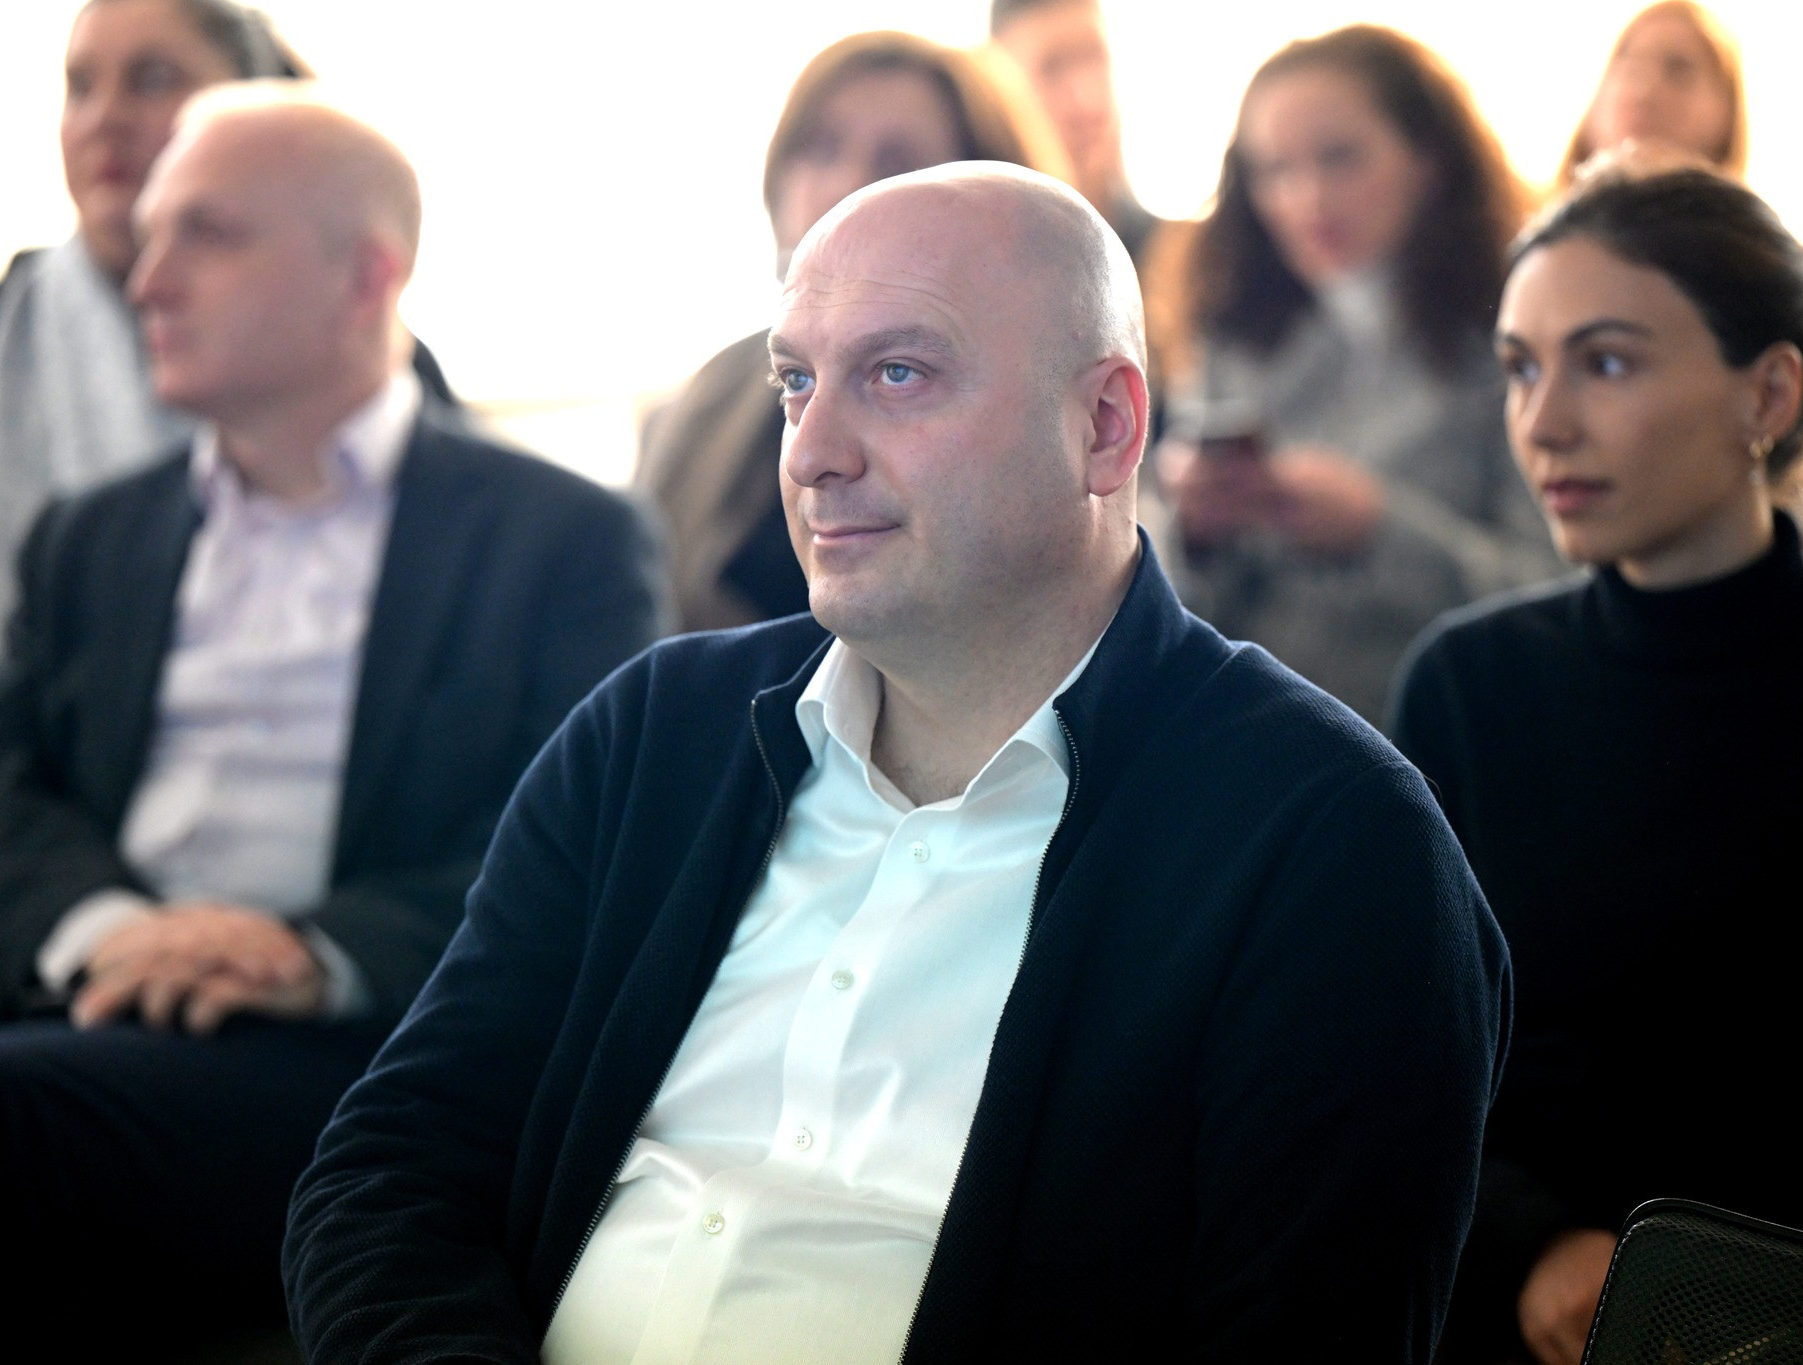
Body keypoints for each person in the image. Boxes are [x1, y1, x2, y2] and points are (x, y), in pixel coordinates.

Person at [284, 162, 1510, 1362]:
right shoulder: (655, 733)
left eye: (897, 375)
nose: (811, 451)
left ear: (1104, 426)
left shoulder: (1329, 846)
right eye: (795, 382)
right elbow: (393, 1164)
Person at [0, 85, 662, 1353]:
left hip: (363, 1049)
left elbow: (588, 845)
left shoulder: (562, 539)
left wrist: (306, 951)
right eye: (149, 237)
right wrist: (115, 934)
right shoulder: (92, 535)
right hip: (90, 1006)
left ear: (365, 276)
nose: (147, 281)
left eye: (208, 234)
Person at [1388, 166, 1803, 1365]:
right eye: (1520, 368)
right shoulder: (1466, 684)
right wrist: (1530, 1245)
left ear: (1766, 391)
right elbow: (1395, 1054)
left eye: (1605, 363)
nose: (1542, 422)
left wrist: (1682, 1294)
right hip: (1481, 1311)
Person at [0, 0, 449, 953]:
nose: (104, 119)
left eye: (154, 79)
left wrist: (306, 953)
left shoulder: (390, 395)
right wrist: (6, 907)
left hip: (331, 943)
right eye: (80, 85)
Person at [1150, 26, 1554, 726]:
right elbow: (1176, 621)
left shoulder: (1516, 340)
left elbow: (1556, 599)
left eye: (1340, 158)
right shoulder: (1234, 328)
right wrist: (1194, 532)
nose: (1307, 198)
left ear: (1428, 157)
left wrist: (1378, 527)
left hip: (1436, 736)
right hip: (1250, 728)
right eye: (1273, 170)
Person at [636, 31, 1064, 634]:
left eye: (897, 162)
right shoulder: (711, 395)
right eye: (822, 149)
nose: (848, 187)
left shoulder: (1047, 380)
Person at [989, 0, 1156, 264]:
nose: (1086, 100)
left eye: (1096, 58)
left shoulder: (1182, 259)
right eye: (1052, 68)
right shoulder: (984, 262)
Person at [1558, 2, 1745, 187]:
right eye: (1630, 66)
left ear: (1727, 109)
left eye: (1678, 69)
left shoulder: (1741, 208)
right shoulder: (1543, 204)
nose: (1642, 92)